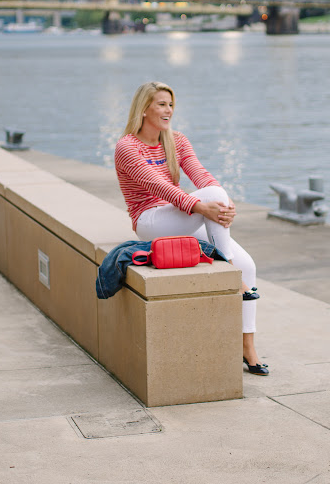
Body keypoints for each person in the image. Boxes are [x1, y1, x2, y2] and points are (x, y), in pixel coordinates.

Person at [114, 81, 268, 376]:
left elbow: (202, 176)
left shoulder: (177, 141)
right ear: (144, 109)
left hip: (179, 216)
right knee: (212, 201)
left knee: (249, 265)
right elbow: (160, 187)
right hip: (150, 220)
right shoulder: (127, 147)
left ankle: (248, 348)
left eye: (171, 104)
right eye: (161, 104)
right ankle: (229, 269)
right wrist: (202, 206)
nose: (168, 110)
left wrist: (225, 203)